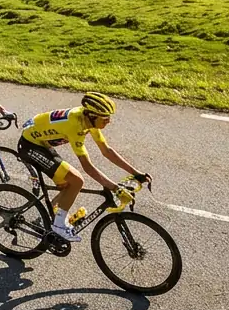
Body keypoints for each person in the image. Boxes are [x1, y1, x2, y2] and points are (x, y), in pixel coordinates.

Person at [18, 92, 149, 242]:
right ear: (92, 115)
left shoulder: (88, 120)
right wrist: (115, 188)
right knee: (77, 181)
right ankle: (59, 225)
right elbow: (88, 167)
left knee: (68, 184)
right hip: (30, 146)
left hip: (41, 142)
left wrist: (136, 173)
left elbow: (106, 150)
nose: (109, 121)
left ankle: (47, 218)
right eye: (105, 118)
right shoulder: (75, 125)